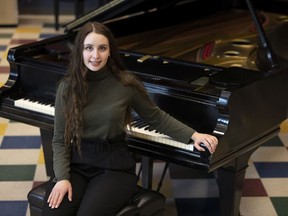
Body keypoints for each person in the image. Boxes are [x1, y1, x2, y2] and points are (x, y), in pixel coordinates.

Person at [42, 21, 218, 216]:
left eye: (102, 48)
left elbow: (156, 117)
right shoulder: (67, 88)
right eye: (89, 48)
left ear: (110, 51)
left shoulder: (125, 83)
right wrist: (62, 178)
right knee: (53, 213)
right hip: (78, 163)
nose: (95, 55)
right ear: (79, 51)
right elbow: (59, 139)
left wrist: (193, 135)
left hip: (113, 166)